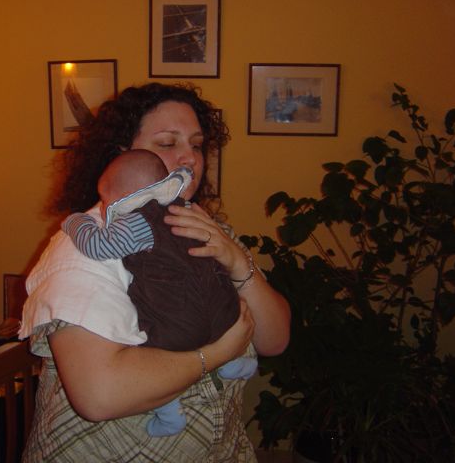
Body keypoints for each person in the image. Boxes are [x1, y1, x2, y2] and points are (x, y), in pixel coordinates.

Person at [19, 82, 291, 462]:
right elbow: (100, 395)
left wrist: (236, 260)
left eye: (197, 144)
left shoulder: (206, 227)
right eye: (167, 143)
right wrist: (217, 354)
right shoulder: (86, 246)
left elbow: (274, 339)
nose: (190, 157)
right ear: (122, 155)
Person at [61, 149, 259, 437]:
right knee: (208, 314)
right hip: (224, 313)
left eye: (105, 200)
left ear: (125, 196)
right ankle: (233, 363)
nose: (103, 208)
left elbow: (98, 246)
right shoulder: (185, 210)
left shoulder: (139, 220)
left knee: (148, 350)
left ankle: (169, 413)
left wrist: (76, 222)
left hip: (179, 326)